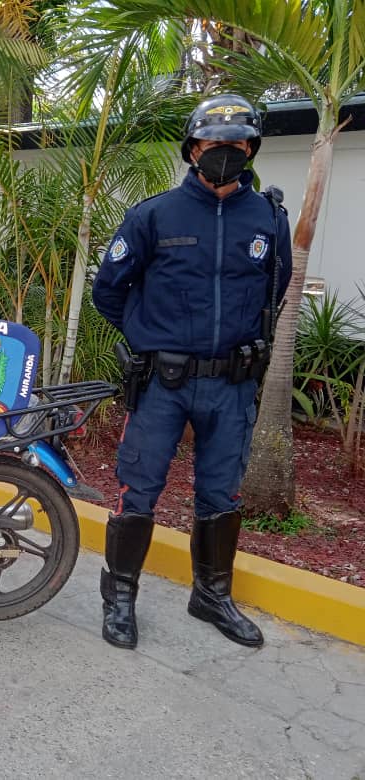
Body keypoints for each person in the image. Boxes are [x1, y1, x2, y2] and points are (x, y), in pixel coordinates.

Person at [91, 94, 292, 650]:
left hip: (232, 385)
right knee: (139, 491)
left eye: (234, 144)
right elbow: (108, 291)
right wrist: (147, 338)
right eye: (212, 145)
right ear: (193, 149)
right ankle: (121, 599)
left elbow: (274, 291)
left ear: (249, 149)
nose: (223, 153)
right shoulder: (154, 215)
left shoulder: (269, 218)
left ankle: (211, 595)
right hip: (163, 384)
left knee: (221, 493)